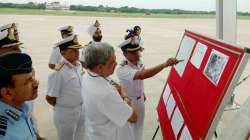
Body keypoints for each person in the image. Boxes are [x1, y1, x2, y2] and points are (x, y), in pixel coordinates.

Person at [117, 37, 181, 140]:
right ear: (125, 54)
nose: (137, 53)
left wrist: (142, 92)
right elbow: (142, 75)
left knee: (139, 130)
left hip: (140, 101)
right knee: (130, 133)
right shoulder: (122, 69)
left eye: (137, 50)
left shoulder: (137, 62)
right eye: (133, 52)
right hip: (130, 105)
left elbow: (138, 80)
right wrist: (165, 64)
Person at [82, 42, 137, 140]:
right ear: (99, 67)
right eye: (112, 62)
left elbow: (115, 85)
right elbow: (133, 118)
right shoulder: (106, 93)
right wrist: (125, 96)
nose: (116, 64)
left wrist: (119, 89)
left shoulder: (87, 75)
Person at [0, 23, 45, 140]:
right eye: (13, 49)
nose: (19, 51)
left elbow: (24, 112)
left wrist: (35, 135)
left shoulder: (20, 68)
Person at [46, 35, 85, 140]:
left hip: (81, 108)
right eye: (73, 50)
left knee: (80, 136)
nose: (77, 52)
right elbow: (50, 97)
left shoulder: (78, 65)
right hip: (66, 113)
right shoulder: (59, 72)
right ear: (62, 53)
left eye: (78, 50)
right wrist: (64, 106)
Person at [0, 52, 39, 139]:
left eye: (32, 78)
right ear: (7, 93)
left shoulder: (22, 108)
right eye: (28, 81)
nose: (36, 84)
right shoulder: (4, 133)